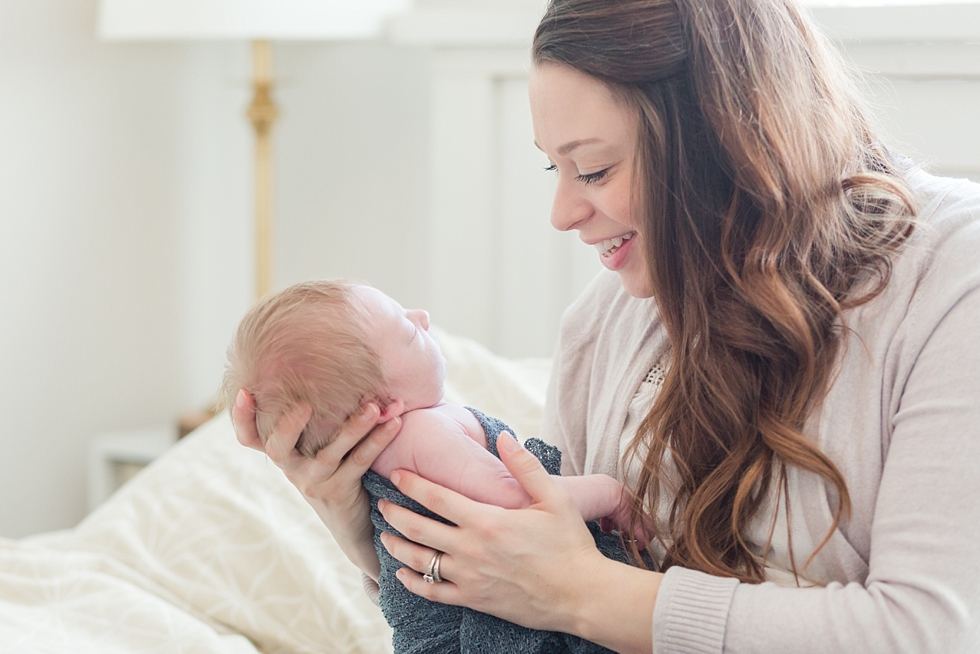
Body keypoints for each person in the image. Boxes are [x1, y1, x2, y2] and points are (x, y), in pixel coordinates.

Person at [233, 0, 980, 651]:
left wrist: (582, 594)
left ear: (725, 136)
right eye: (551, 170)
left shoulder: (950, 279)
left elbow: (928, 634)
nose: (563, 214)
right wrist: (372, 520)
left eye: (592, 170)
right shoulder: (606, 321)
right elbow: (538, 602)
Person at [223, 280, 647, 652]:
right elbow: (520, 502)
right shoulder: (421, 434)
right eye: (408, 332)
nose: (422, 317)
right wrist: (608, 491)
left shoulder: (402, 439)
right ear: (381, 406)